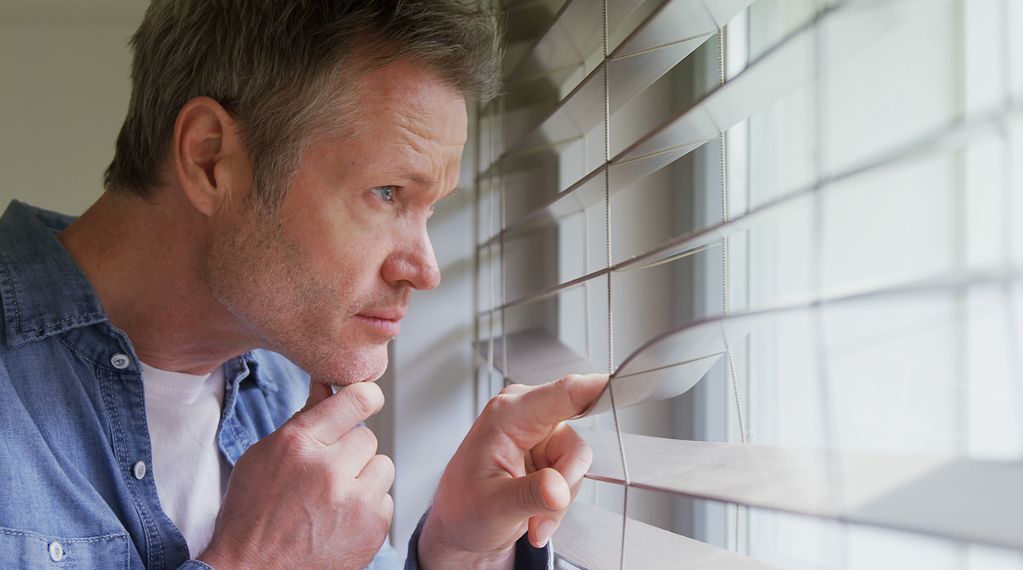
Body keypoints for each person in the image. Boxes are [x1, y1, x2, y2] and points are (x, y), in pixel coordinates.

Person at [0, 1, 607, 568]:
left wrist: (454, 553)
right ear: (211, 159)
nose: (425, 270)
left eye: (431, 209)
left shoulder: (292, 390)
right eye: (387, 192)